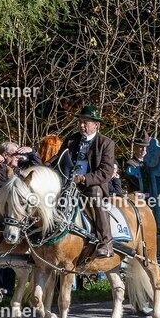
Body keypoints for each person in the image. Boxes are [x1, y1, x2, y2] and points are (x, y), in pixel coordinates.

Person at [60, 105, 116, 258]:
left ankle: (106, 241)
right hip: (68, 182)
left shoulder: (106, 143)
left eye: (86, 122)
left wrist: (84, 179)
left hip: (91, 186)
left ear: (96, 125)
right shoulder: (71, 140)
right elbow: (57, 161)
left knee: (95, 194)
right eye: (80, 122)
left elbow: (106, 172)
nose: (81, 126)